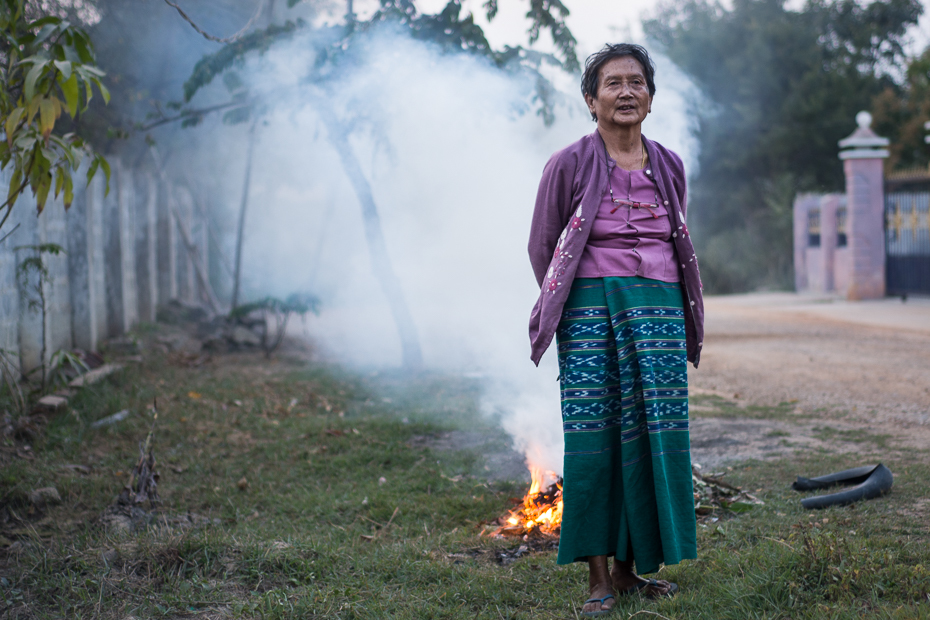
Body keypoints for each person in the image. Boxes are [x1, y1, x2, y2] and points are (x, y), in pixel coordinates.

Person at [527, 43, 705, 617]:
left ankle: (632, 572)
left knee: (651, 436)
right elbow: (543, 246)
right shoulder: (567, 164)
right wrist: (576, 302)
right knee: (594, 443)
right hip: (590, 315)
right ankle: (599, 579)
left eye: (637, 83)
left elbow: (678, 242)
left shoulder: (670, 165)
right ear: (591, 99)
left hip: (659, 315)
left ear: (650, 99)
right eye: (613, 83)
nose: (626, 92)